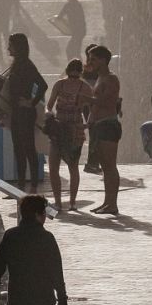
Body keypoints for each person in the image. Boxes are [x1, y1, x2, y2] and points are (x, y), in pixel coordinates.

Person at [2, 33, 48, 192]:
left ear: (18, 47)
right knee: (18, 149)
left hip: (25, 113)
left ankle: (33, 185)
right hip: (16, 112)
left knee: (28, 148)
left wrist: (31, 102)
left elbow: (43, 85)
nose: (8, 48)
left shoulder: (27, 65)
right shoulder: (15, 64)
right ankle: (21, 184)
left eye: (11, 45)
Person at [45, 59, 92, 211]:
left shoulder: (60, 84)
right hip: (74, 129)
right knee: (73, 167)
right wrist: (87, 124)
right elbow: (90, 111)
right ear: (80, 72)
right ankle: (71, 202)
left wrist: (49, 116)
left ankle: (59, 203)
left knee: (54, 166)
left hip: (60, 128)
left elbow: (49, 106)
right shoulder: (85, 87)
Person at [86, 45, 122, 215]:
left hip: (108, 125)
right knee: (104, 168)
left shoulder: (111, 79)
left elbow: (107, 102)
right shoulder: (100, 77)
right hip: (99, 125)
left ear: (103, 60)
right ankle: (107, 202)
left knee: (110, 166)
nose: (90, 62)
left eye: (93, 59)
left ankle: (112, 204)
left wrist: (86, 98)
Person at [55, 0, 86, 64]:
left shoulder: (68, 5)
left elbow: (60, 16)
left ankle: (74, 66)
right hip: (81, 31)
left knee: (69, 50)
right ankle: (79, 66)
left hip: (76, 32)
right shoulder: (78, 5)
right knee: (76, 50)